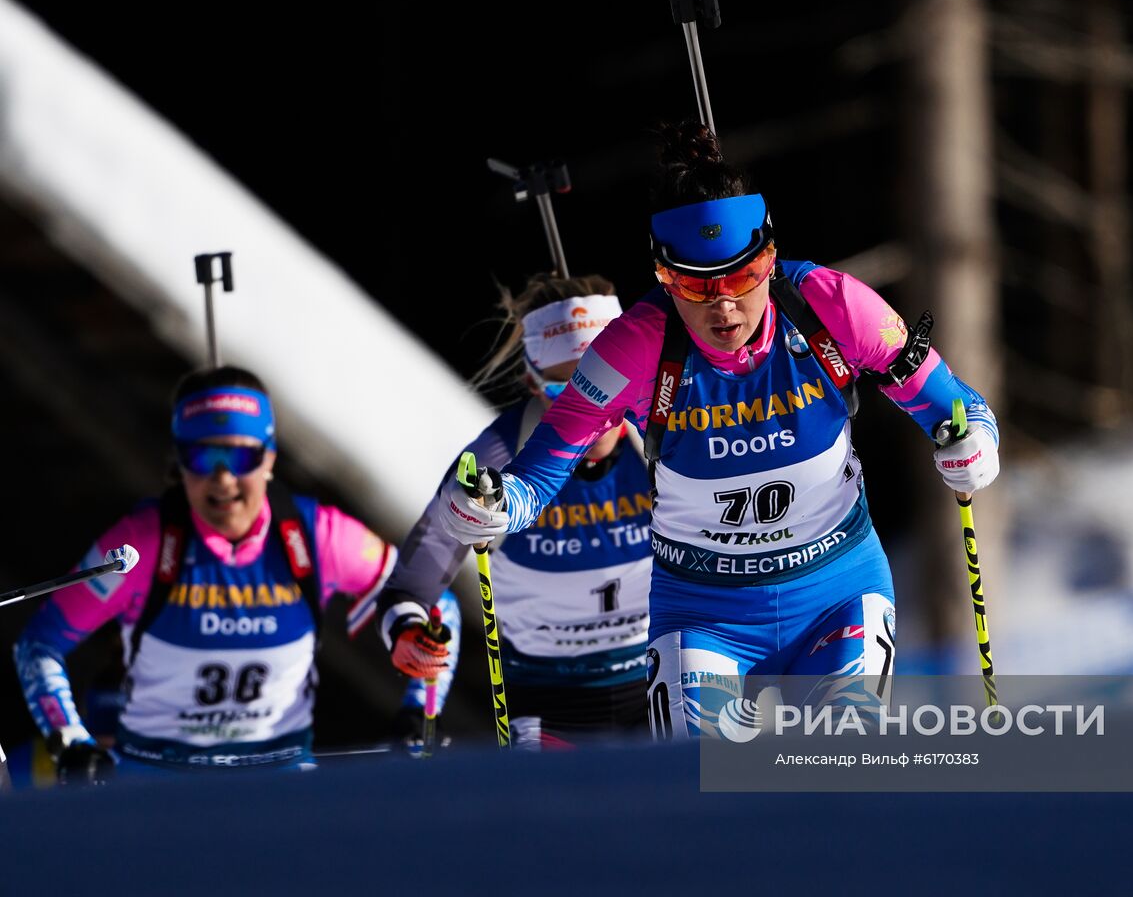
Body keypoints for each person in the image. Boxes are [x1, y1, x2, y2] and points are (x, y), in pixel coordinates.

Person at [420, 121, 1000, 739]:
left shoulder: (832, 303)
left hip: (836, 591)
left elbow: (951, 404)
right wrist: (495, 506)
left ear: (769, 259)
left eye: (742, 277)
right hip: (704, 613)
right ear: (663, 277)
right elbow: (544, 467)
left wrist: (972, 442)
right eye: (694, 284)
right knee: (704, 781)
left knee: (844, 761)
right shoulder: (633, 346)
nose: (722, 304)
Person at [13, 366, 459, 777]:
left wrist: (418, 710)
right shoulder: (140, 544)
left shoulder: (318, 536)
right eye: (203, 460)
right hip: (155, 784)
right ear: (181, 463)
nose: (223, 481)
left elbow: (436, 602)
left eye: (241, 459)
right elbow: (39, 642)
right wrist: (70, 741)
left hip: (276, 785)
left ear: (268, 458)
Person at [378, 275, 652, 749]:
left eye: (608, 385)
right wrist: (409, 634)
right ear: (530, 380)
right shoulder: (494, 459)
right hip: (551, 703)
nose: (593, 411)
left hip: (664, 680)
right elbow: (408, 588)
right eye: (564, 390)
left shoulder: (665, 434)